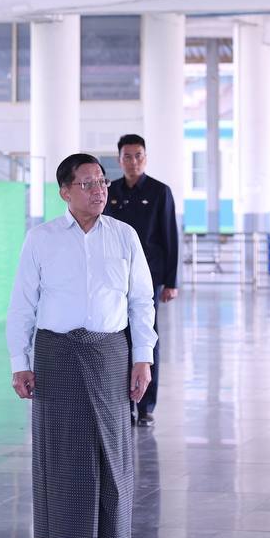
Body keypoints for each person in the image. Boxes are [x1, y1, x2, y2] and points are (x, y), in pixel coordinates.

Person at [7, 153, 156, 538]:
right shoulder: (41, 238)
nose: (99, 190)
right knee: (59, 450)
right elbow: (22, 304)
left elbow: (141, 301)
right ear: (65, 192)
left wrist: (143, 358)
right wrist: (20, 361)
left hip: (110, 352)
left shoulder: (124, 236)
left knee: (113, 447)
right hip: (56, 354)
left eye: (102, 182)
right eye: (87, 183)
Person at [104, 134, 179, 426]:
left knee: (146, 337)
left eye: (138, 156)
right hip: (115, 278)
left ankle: (146, 405)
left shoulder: (160, 192)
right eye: (127, 156)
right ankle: (125, 404)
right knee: (119, 338)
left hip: (150, 278)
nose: (133, 162)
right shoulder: (110, 191)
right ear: (119, 159)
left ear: (145, 158)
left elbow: (170, 236)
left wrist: (171, 281)